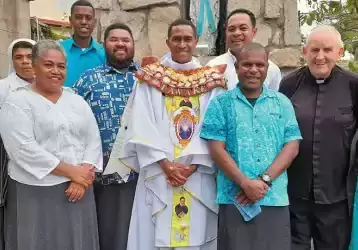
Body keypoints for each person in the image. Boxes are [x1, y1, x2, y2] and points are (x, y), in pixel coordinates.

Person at [109, 18, 227, 249]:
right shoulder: (150, 78)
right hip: (159, 171)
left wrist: (192, 166)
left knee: (196, 232)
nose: (182, 44)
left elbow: (213, 127)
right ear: (168, 42)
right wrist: (165, 165)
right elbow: (141, 124)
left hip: (197, 172)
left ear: (195, 42)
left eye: (187, 39)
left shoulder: (212, 81)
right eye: (177, 39)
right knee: (154, 231)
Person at [0, 40, 102, 250]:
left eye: (61, 66)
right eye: (48, 65)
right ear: (35, 66)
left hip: (79, 189)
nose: (56, 71)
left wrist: (82, 175)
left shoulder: (76, 101)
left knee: (77, 241)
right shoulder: (17, 102)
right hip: (36, 192)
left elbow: (93, 139)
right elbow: (22, 149)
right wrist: (72, 172)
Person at [201, 42, 301, 250]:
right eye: (247, 65)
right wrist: (245, 183)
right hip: (234, 198)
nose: (253, 70)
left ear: (267, 68)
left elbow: (291, 146)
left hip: (273, 198)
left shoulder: (282, 103)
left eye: (259, 65)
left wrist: (264, 181)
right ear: (237, 68)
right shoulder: (221, 104)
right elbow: (216, 149)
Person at [279, 25, 358, 250]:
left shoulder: (354, 85)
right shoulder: (289, 84)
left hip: (337, 196)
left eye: (327, 50)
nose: (320, 56)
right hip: (294, 194)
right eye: (314, 50)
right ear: (304, 51)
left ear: (339, 53)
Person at [73, 23, 138, 250]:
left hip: (140, 174)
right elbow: (71, 120)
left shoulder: (147, 79)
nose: (120, 44)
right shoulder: (88, 79)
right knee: (104, 234)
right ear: (104, 45)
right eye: (114, 39)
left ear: (133, 45)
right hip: (99, 174)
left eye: (125, 40)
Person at [0, 38, 36, 250]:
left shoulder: (47, 85)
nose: (25, 62)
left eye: (30, 57)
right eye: (18, 58)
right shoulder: (4, 87)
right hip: (7, 155)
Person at [207, 8, 282, 90]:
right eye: (231, 29)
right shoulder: (212, 68)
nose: (236, 33)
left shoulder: (271, 70)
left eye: (243, 28)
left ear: (254, 32)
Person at [60, 0, 105, 87]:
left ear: (94, 22)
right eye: (78, 17)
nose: (84, 22)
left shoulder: (103, 54)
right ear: (70, 20)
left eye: (88, 18)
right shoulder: (58, 50)